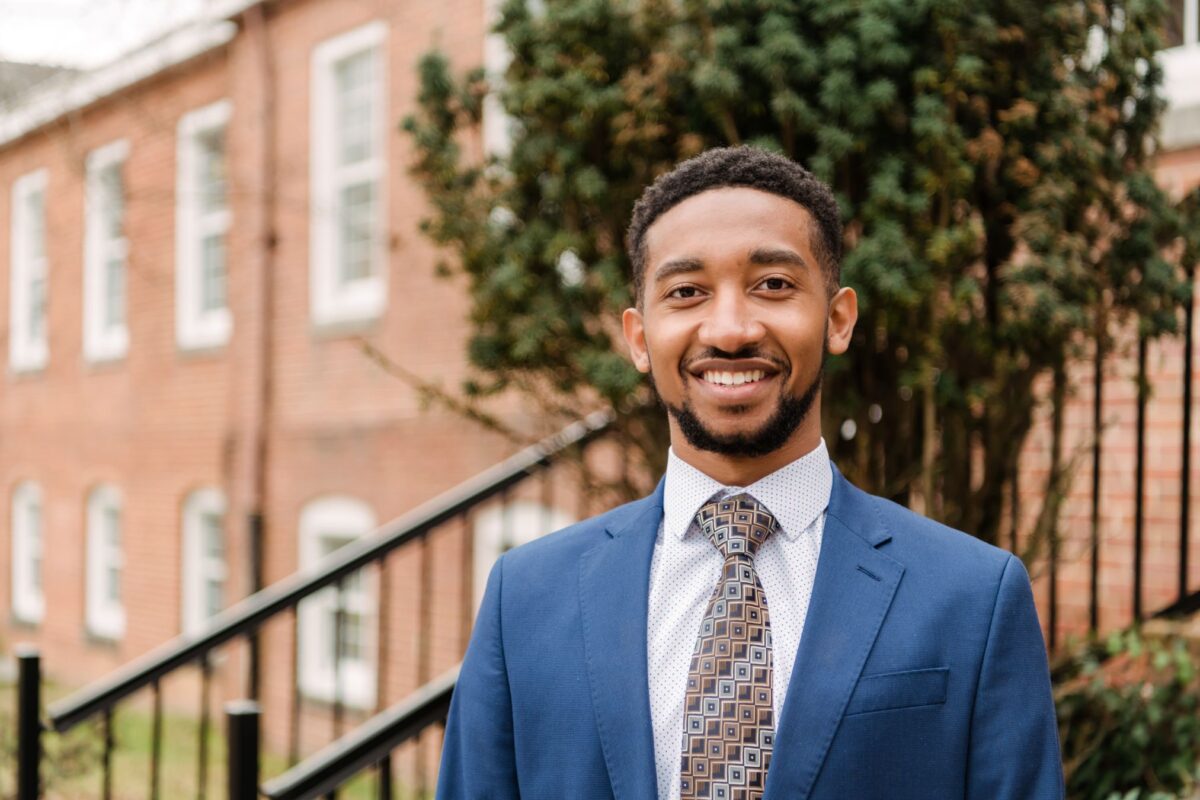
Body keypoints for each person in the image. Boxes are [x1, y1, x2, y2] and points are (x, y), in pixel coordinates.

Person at [437, 146, 1063, 799]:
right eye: (686, 293)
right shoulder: (525, 597)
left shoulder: (973, 598)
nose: (731, 329)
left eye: (773, 285)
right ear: (640, 337)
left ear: (838, 319)